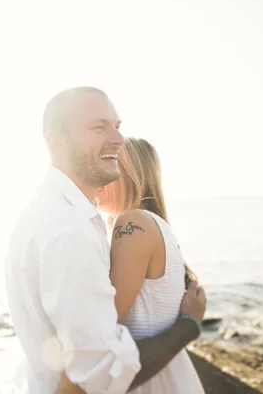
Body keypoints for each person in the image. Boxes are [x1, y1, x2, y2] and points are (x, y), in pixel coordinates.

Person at [4, 87, 206, 393]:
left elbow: (94, 366)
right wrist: (189, 325)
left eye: (117, 127)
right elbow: (98, 371)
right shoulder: (69, 228)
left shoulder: (114, 223)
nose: (118, 139)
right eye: (99, 127)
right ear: (56, 142)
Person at [57, 137, 205, 393]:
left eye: (110, 162)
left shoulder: (132, 223)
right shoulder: (155, 227)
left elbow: (105, 325)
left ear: (133, 173)